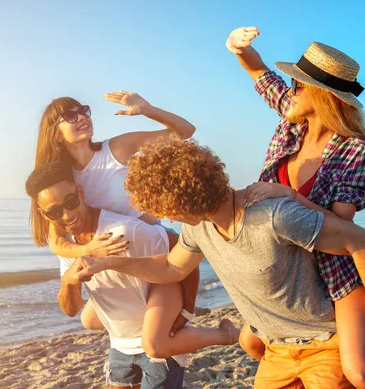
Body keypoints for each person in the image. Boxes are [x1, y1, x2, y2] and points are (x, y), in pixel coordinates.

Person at [72, 138, 365, 388]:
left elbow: (363, 242)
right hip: (276, 352)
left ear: (183, 200)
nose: (162, 215)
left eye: (163, 207)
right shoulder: (199, 228)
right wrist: (110, 263)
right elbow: (170, 268)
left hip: (324, 344)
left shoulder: (273, 216)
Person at [226, 27, 365, 388]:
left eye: (298, 84)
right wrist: (237, 48)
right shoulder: (292, 122)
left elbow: (342, 228)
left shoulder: (355, 149)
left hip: (332, 272)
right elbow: (259, 73)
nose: (290, 88)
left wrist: (286, 195)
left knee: (363, 374)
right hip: (281, 267)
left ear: (322, 94)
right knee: (249, 341)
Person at [25, 161, 239, 389]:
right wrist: (68, 282)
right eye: (55, 211)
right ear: (43, 214)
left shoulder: (123, 231)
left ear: (80, 192)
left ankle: (223, 334)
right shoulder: (68, 247)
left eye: (70, 202)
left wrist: (186, 308)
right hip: (119, 346)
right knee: (88, 320)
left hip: (161, 344)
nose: (67, 215)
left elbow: (186, 250)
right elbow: (71, 309)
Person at [31, 91, 205, 334]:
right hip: (117, 257)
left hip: (151, 245)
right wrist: (88, 251)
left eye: (84, 111)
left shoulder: (115, 149)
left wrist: (147, 109)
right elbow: (58, 243)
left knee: (159, 335)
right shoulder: (64, 181)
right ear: (55, 135)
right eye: (70, 116)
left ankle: (182, 311)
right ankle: (159, 312)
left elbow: (184, 132)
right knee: (90, 321)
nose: (81, 117)